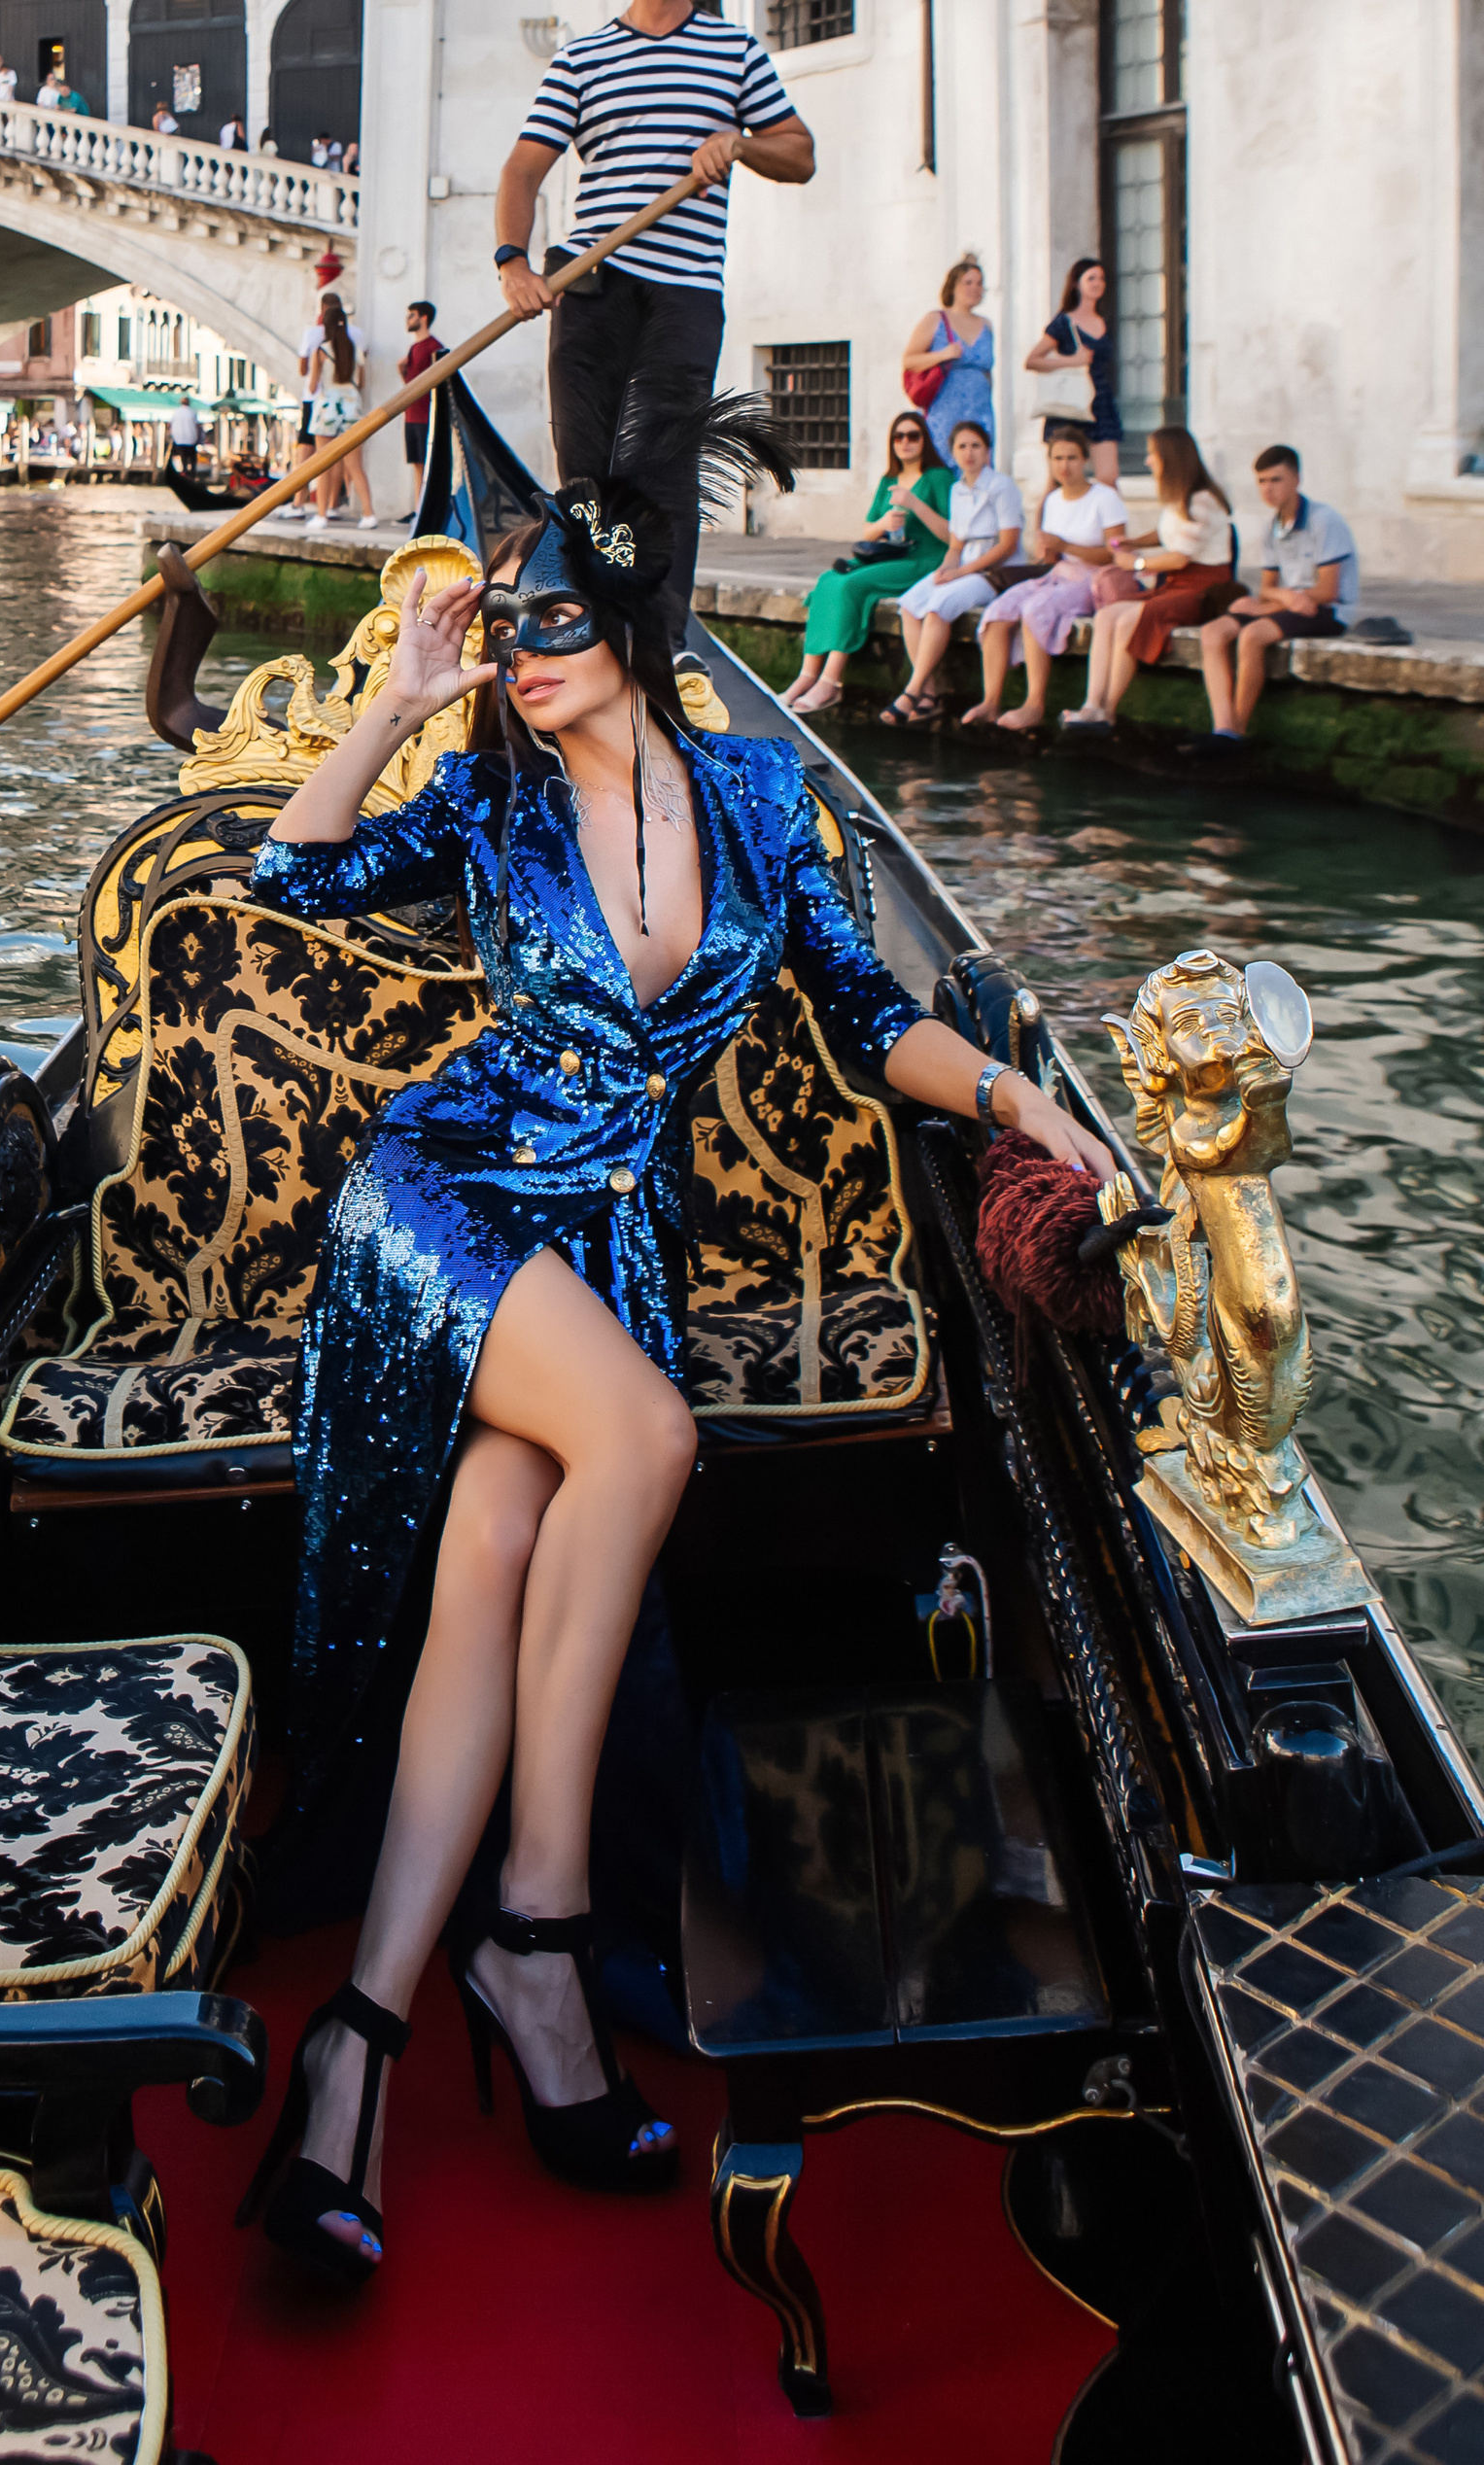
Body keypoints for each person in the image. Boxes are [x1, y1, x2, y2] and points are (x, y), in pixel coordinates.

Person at [237, 433, 1117, 2288]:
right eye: (500, 626)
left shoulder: (762, 803)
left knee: (493, 1551)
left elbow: (870, 1017)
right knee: (640, 1435)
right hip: (448, 1201)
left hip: (608, 1243)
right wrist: (395, 702)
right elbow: (290, 887)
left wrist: (1022, 1094)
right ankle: (540, 1936)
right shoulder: (484, 804)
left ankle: (362, 2039)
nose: (520, 650)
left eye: (552, 616)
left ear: (634, 620)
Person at [494, 0, 815, 657]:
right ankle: (584, 628)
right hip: (590, 282)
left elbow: (799, 154)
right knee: (587, 470)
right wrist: (514, 262)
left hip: (684, 290)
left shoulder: (733, 50)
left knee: (662, 468)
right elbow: (522, 173)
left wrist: (742, 145)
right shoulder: (583, 59)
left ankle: (659, 644)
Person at [777, 411, 955, 716]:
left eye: (913, 435)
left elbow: (952, 534)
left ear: (925, 440)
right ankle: (806, 676)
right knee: (828, 580)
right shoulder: (889, 479)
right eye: (898, 437)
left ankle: (831, 682)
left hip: (926, 559)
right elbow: (867, 529)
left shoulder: (939, 477)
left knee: (851, 585)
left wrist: (915, 504)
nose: (905, 442)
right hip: (889, 554)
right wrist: (885, 522)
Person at [1063, 428, 1237, 730]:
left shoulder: (1203, 501)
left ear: (1170, 458)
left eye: (1153, 454)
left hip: (1203, 589)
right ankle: (1092, 705)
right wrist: (1134, 542)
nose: (1147, 461)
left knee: (1130, 620)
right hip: (1175, 586)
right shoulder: (1179, 499)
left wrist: (1137, 562)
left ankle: (1109, 710)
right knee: (1106, 617)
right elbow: (1168, 533)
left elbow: (1180, 557)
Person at [965, 430, 1138, 732]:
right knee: (999, 610)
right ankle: (990, 700)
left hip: (1094, 580)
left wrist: (1066, 547)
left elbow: (1116, 555)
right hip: (1059, 575)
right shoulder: (1053, 500)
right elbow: (1051, 557)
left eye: (1072, 457)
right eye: (1058, 458)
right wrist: (1051, 554)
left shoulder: (1104, 498)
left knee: (1036, 608)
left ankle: (1034, 704)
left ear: (1085, 460)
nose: (1064, 465)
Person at [1197, 448, 1362, 745]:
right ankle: (1221, 726)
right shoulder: (1270, 527)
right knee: (1212, 632)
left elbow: (1328, 590)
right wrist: (1280, 599)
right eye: (1261, 481)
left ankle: (1236, 731)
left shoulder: (1324, 520)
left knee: (1251, 636)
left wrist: (1276, 601)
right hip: (1293, 604)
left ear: (1296, 479)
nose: (1268, 489)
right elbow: (1267, 588)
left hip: (1329, 610)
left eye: (1276, 480)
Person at [881, 422, 1023, 722]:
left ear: (987, 451)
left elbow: (1008, 545)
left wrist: (962, 573)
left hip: (992, 573)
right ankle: (930, 693)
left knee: (937, 609)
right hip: (963, 567)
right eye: (962, 447)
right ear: (953, 453)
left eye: (976, 446)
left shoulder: (1001, 486)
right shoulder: (957, 489)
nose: (969, 453)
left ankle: (912, 690)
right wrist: (947, 569)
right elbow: (955, 545)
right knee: (908, 603)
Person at [1026, 258, 1122, 484]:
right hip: (1069, 405)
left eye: (1101, 278)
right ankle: (1044, 521)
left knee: (1108, 477)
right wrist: (1073, 361)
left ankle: (1111, 520)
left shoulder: (1105, 321)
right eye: (1091, 278)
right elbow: (1032, 360)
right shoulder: (1063, 323)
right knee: (1057, 481)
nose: (1098, 283)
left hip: (1101, 402)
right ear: (1077, 283)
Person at [903, 255, 995, 468]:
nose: (975, 288)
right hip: (945, 409)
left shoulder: (987, 325)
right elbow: (909, 360)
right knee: (942, 464)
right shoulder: (936, 319)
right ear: (953, 286)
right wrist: (943, 355)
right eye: (968, 282)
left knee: (979, 466)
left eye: (980, 283)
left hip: (979, 409)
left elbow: (988, 371)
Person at [306, 295, 381, 527]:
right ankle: (369, 514)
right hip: (351, 407)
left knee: (323, 464)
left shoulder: (322, 350)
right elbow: (361, 383)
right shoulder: (354, 349)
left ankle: (322, 515)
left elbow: (312, 385)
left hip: (327, 408)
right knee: (355, 465)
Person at [398, 298, 443, 493]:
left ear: (423, 318)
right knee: (418, 464)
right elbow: (411, 384)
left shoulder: (434, 347)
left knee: (429, 466)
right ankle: (418, 509)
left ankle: (426, 510)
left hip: (426, 416)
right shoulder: (414, 347)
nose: (407, 320)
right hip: (412, 414)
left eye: (411, 315)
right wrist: (401, 370)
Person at [165, 391, 205, 503]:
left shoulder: (176, 412)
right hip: (191, 439)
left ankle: (184, 472)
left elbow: (170, 424)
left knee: (183, 457)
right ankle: (191, 475)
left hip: (179, 439)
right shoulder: (192, 413)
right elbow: (197, 426)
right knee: (192, 458)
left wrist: (172, 434)